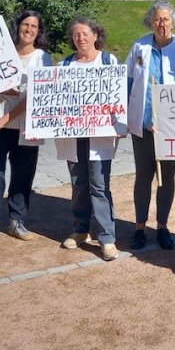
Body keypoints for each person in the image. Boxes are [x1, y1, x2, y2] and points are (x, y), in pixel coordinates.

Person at [0, 10, 52, 253]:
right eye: (25, 24)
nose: (28, 29)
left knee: (22, 175)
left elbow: (36, 95)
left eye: (34, 26)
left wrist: (7, 113)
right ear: (18, 26)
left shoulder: (42, 58)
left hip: (24, 126)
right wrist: (5, 94)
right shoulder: (0, 53)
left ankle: (16, 221)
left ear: (39, 32)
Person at [125, 1, 175, 250]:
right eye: (157, 19)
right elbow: (128, 83)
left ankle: (162, 226)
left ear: (173, 22)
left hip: (170, 129)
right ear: (150, 22)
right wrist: (125, 118)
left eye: (166, 19)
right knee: (143, 177)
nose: (161, 24)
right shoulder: (139, 47)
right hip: (143, 126)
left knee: (166, 178)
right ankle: (139, 228)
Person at [56, 17, 122, 261]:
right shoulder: (64, 65)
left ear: (96, 35)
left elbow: (117, 96)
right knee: (78, 184)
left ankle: (107, 238)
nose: (80, 38)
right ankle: (80, 229)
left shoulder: (108, 62)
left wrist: (120, 122)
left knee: (99, 185)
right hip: (73, 135)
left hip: (100, 134)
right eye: (76, 34)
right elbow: (54, 100)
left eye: (85, 33)